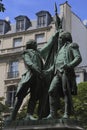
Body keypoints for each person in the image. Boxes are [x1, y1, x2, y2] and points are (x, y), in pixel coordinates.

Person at [44, 31, 82, 119]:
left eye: (61, 37)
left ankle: (67, 113)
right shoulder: (59, 50)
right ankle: (53, 114)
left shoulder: (72, 46)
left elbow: (78, 58)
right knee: (51, 91)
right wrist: (48, 71)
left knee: (66, 92)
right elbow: (55, 64)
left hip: (66, 72)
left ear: (66, 38)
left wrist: (69, 65)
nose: (59, 39)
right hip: (57, 73)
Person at [9, 39, 44, 121]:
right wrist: (36, 69)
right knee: (20, 96)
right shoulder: (26, 52)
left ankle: (29, 115)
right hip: (29, 75)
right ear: (31, 45)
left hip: (37, 77)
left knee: (34, 97)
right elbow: (28, 62)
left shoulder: (38, 54)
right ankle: (12, 116)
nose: (36, 44)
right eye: (35, 43)